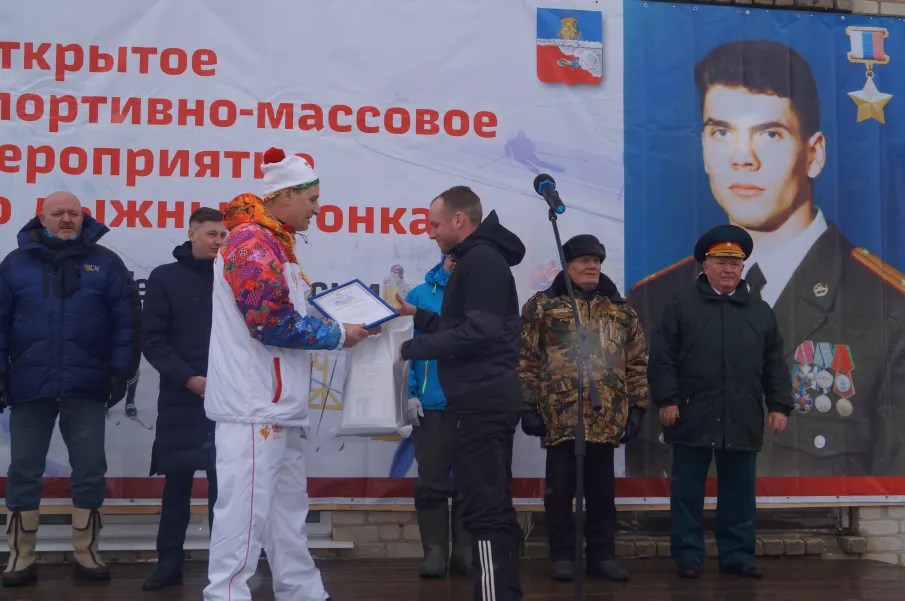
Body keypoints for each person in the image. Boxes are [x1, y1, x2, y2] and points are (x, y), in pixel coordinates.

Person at [626, 39, 905, 479]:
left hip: (816, 543)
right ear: (702, 146)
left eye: (769, 134)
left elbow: (892, 494)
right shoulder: (653, 300)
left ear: (813, 154)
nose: (742, 158)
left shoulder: (889, 307)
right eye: (721, 132)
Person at [201, 148, 372, 601]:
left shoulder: (277, 245)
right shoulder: (252, 243)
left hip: (279, 407)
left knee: (286, 516)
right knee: (244, 517)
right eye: (312, 198)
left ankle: (303, 593)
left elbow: (283, 314)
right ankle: (227, 596)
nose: (317, 208)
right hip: (254, 408)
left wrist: (337, 318)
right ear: (285, 195)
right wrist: (338, 334)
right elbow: (268, 322)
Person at [0, 191, 141, 586]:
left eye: (73, 213)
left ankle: (86, 552)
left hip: (86, 384)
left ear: (83, 218)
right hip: (29, 384)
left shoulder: (106, 263)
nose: (66, 219)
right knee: (24, 469)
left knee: (91, 469)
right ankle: (20, 557)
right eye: (57, 213)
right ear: (41, 218)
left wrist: (121, 372)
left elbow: (127, 323)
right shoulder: (15, 265)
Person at [396, 186, 526, 601]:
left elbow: (481, 331)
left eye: (435, 224)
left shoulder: (482, 261)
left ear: (458, 220)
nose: (431, 233)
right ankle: (505, 591)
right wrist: (421, 318)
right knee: (492, 504)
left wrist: (412, 348)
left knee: (485, 510)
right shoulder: (477, 260)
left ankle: (493, 594)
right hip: (477, 400)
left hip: (482, 403)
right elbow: (470, 326)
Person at [648, 224, 792, 579]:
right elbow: (663, 356)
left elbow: (774, 362)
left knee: (739, 493)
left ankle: (737, 555)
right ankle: (688, 556)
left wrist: (778, 405)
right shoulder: (682, 303)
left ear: (743, 269)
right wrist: (666, 399)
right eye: (721, 262)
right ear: (705, 266)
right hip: (692, 412)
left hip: (742, 415)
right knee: (687, 491)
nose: (729, 269)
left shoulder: (760, 311)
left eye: (736, 263)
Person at [518, 234, 648, 582]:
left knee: (602, 494)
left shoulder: (621, 310)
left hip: (606, 416)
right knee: (560, 492)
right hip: (560, 416)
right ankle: (562, 556)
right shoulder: (543, 306)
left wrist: (638, 406)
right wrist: (527, 405)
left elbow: (636, 362)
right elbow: (526, 359)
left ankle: (602, 556)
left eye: (597, 261)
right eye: (584, 261)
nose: (592, 266)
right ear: (567, 265)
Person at [140, 207, 227, 590]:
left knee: (225, 490)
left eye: (223, 235)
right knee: (176, 486)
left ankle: (223, 568)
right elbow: (153, 340)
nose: (218, 241)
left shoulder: (236, 278)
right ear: (191, 234)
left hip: (229, 398)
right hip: (182, 397)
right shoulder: (164, 278)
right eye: (211, 234)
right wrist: (188, 378)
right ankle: (168, 564)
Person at [404, 253, 472, 578]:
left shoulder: (482, 293)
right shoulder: (419, 295)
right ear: (444, 257)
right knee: (430, 481)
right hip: (431, 406)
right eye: (452, 257)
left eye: (464, 257)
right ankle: (434, 554)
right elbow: (405, 345)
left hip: (472, 406)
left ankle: (465, 554)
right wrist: (410, 392)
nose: (456, 263)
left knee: (471, 482)